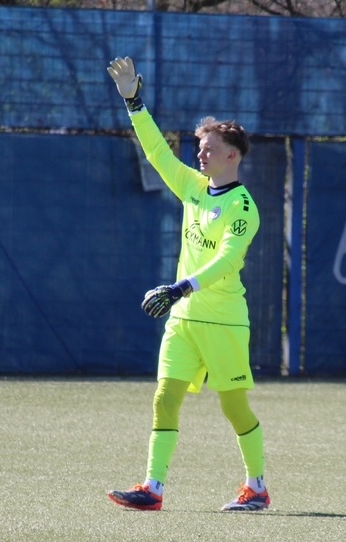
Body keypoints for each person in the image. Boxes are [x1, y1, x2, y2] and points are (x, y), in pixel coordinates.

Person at [105, 57, 270, 512]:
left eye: (209, 148)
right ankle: (152, 489)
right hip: (184, 319)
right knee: (165, 398)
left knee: (234, 408)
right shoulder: (195, 188)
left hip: (223, 321)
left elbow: (228, 260)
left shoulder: (243, 207)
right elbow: (158, 154)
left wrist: (181, 287)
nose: (201, 154)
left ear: (233, 155)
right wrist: (134, 103)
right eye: (200, 147)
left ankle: (257, 487)